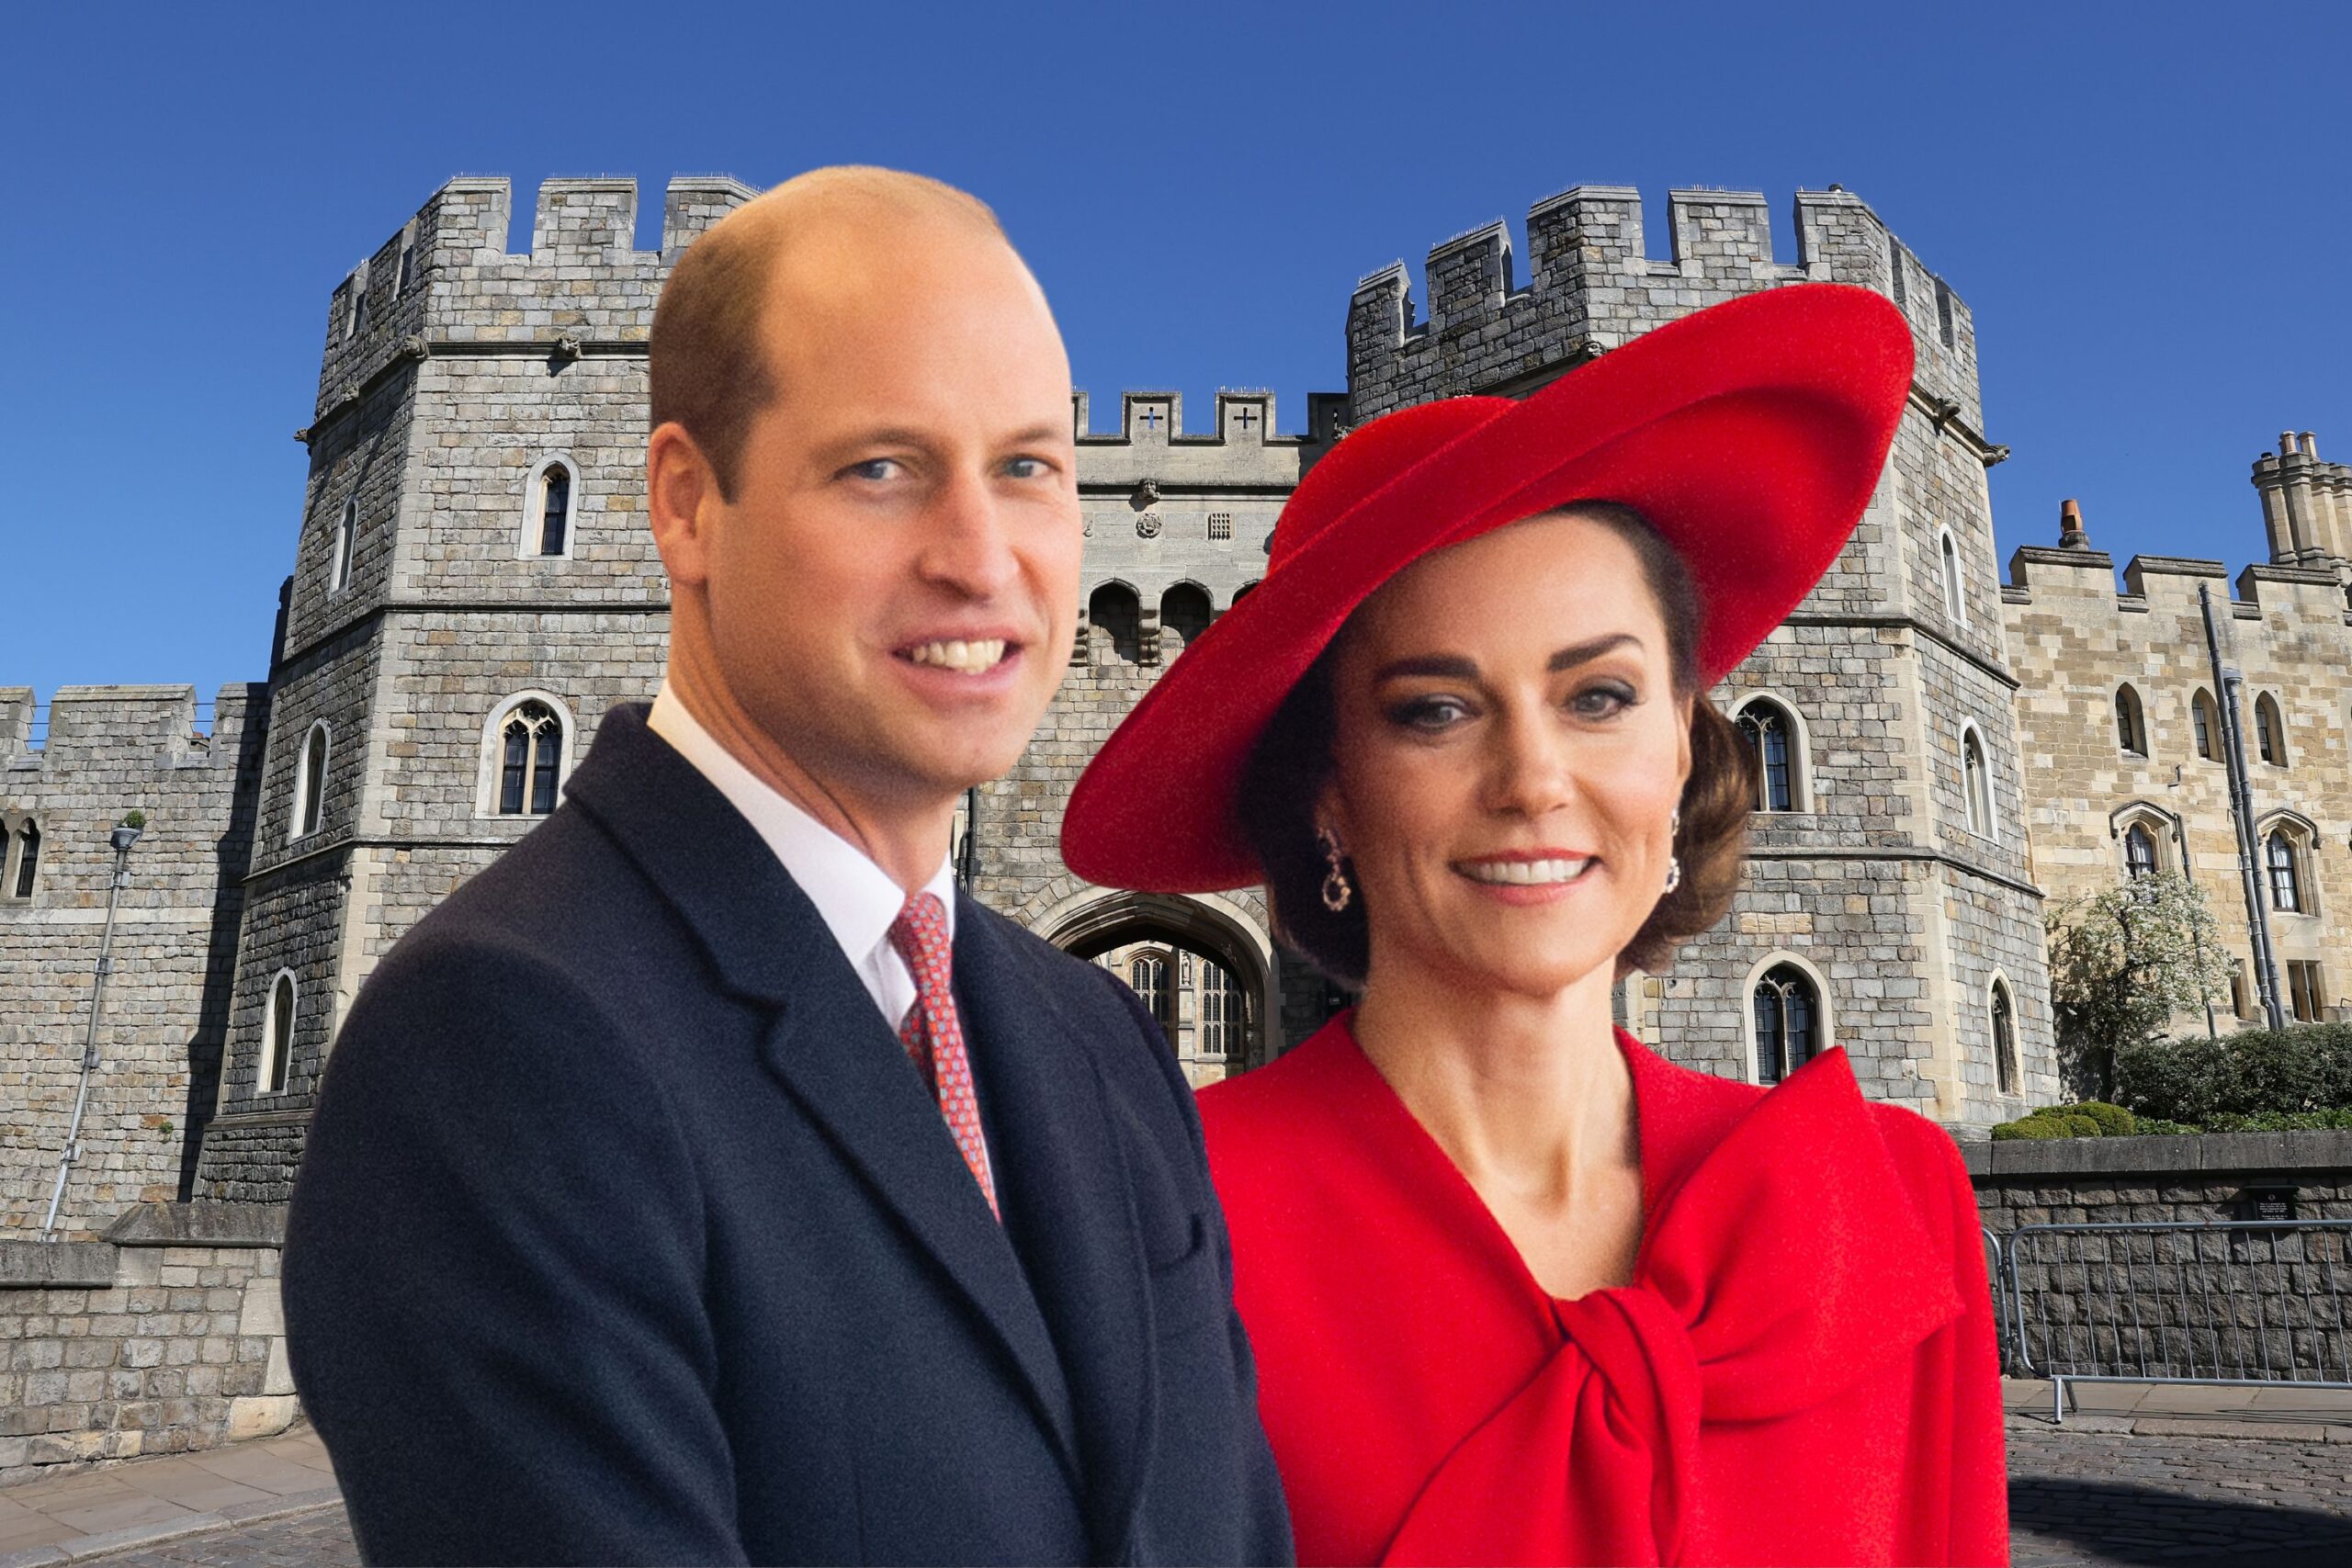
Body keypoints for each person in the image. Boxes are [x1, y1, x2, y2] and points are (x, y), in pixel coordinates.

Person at [284, 167, 1291, 1567]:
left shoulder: (1097, 1034)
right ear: (688, 504)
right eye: (882, 466)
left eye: (1030, 466)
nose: (980, 558)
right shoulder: (498, 1039)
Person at [1062, 284, 2007, 1566]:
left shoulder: (1879, 1202)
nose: (1533, 781)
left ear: (1682, 743)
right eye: (1434, 711)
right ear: (1327, 790)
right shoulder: (1144, 1221)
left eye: (1600, 695)